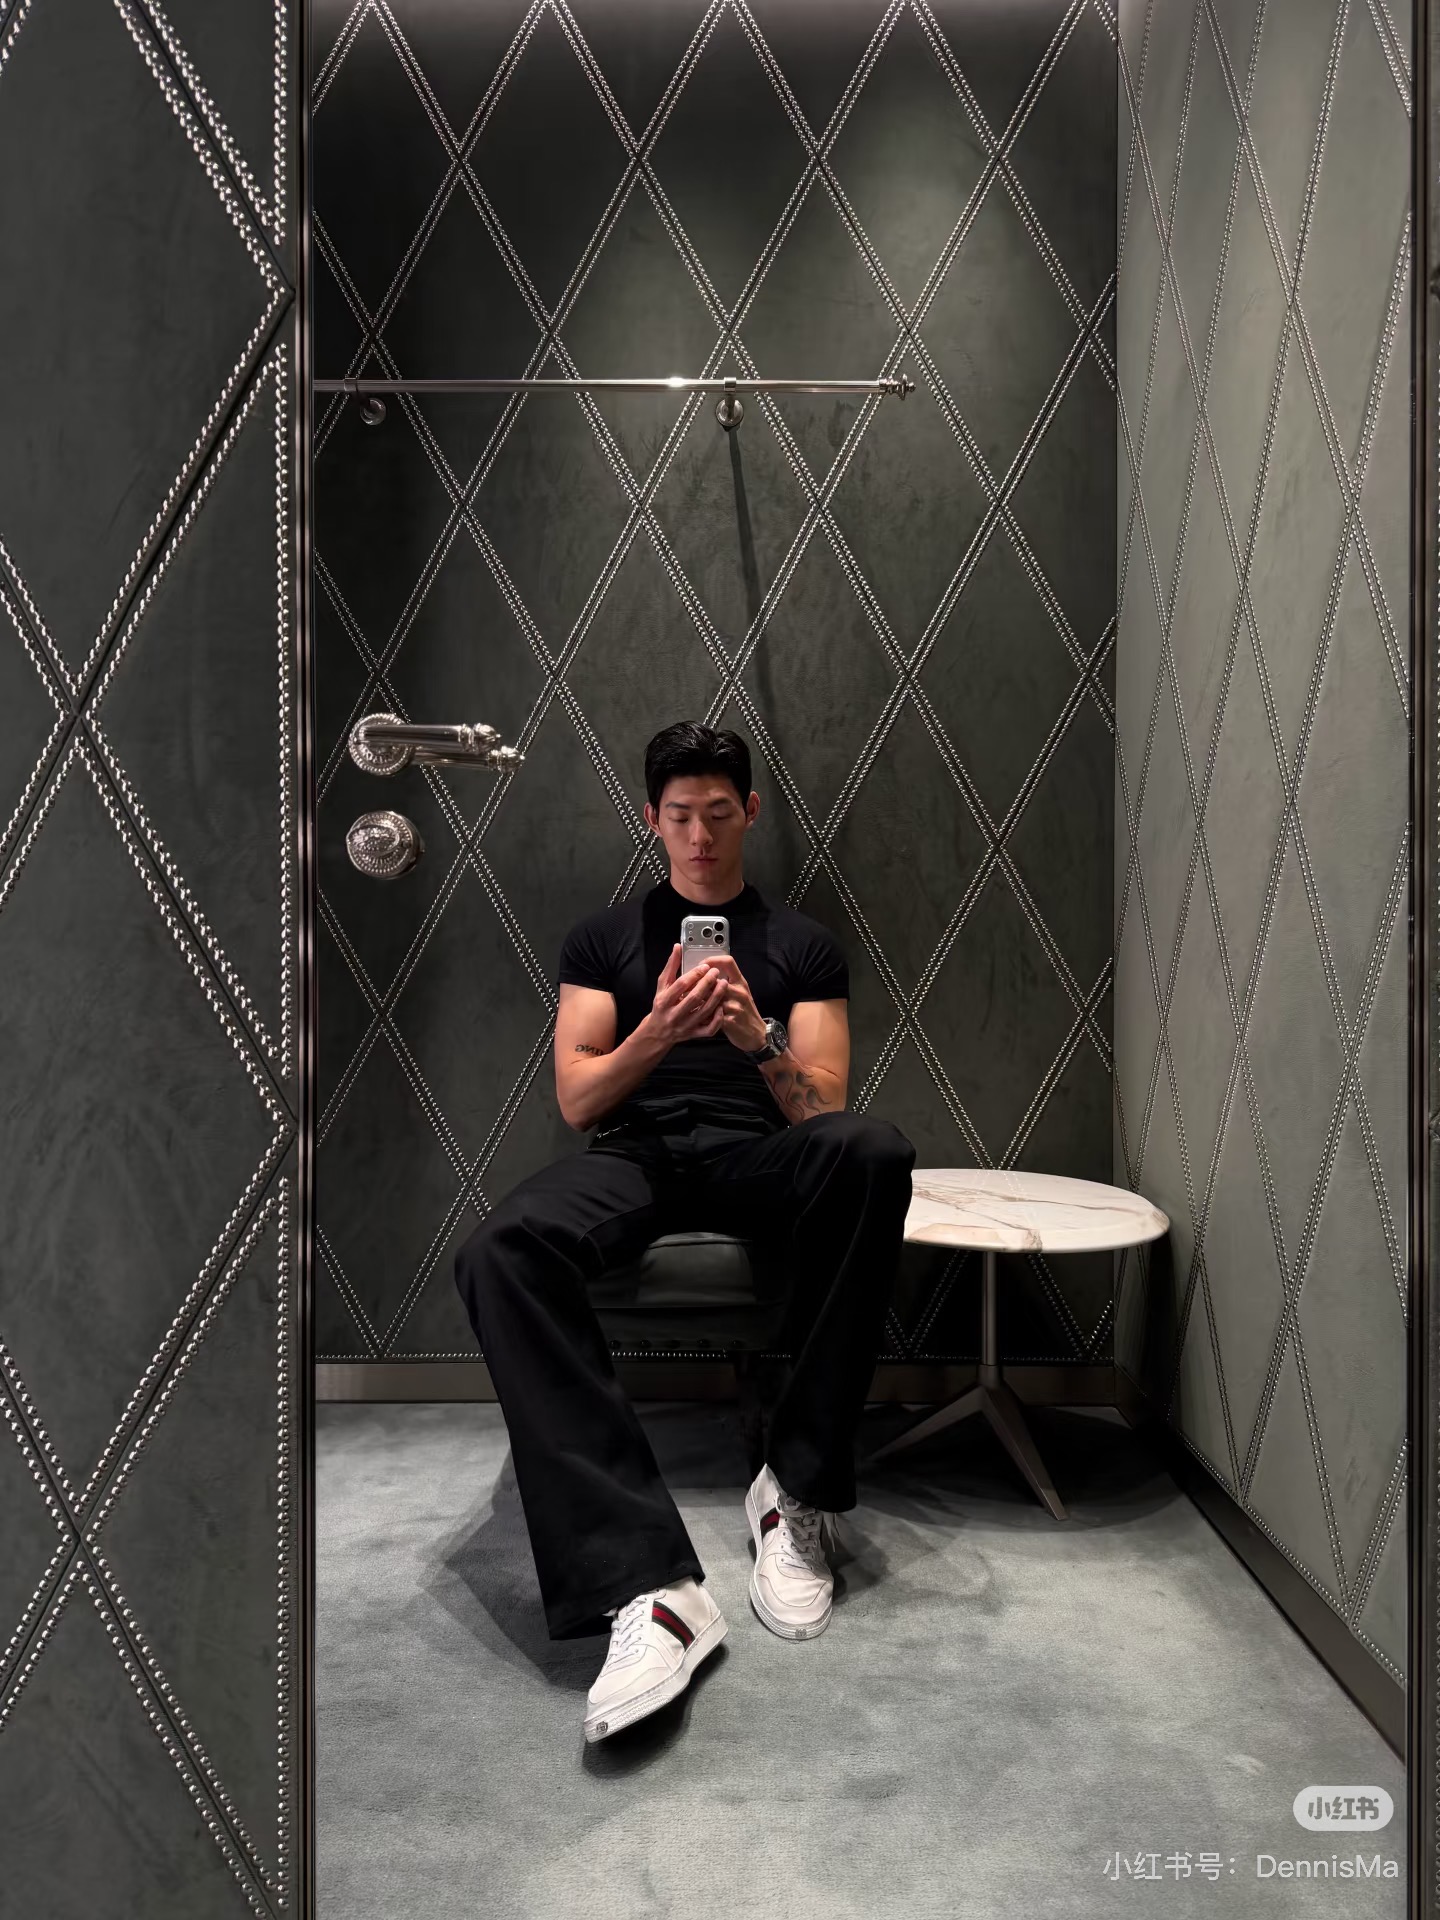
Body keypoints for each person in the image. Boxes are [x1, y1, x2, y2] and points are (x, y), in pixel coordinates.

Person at [454, 721, 916, 1743]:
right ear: (651, 818)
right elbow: (580, 1100)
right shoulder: (604, 939)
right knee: (500, 1250)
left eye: (717, 814)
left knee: (873, 1152)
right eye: (679, 816)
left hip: (758, 1155)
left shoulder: (802, 946)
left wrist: (758, 1039)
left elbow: (825, 1111)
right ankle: (651, 1583)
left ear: (749, 812)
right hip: (639, 1157)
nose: (699, 837)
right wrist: (658, 1031)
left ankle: (794, 1489)